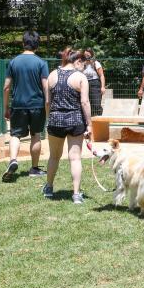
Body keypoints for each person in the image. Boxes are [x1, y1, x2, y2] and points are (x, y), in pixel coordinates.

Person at [42, 50, 92, 204]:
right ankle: (76, 194)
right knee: (75, 158)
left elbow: (48, 102)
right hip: (75, 121)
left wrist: (49, 118)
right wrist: (89, 124)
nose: (83, 66)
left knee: (54, 157)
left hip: (55, 120)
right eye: (83, 62)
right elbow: (84, 102)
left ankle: (49, 188)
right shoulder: (81, 77)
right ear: (77, 60)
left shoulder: (51, 75)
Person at [1, 31, 49, 182]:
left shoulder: (14, 62)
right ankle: (34, 169)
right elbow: (46, 86)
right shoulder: (41, 63)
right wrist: (48, 105)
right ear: (37, 45)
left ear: (23, 43)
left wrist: (6, 107)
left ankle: (13, 160)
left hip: (18, 105)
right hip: (37, 104)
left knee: (15, 135)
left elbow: (6, 87)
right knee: (35, 135)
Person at [82, 48, 106, 116]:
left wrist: (102, 87)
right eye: (85, 55)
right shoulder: (83, 64)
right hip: (85, 84)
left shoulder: (96, 63)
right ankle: (91, 123)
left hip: (95, 84)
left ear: (91, 55)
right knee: (88, 104)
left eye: (88, 55)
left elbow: (101, 75)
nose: (86, 57)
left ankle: (101, 121)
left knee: (96, 104)